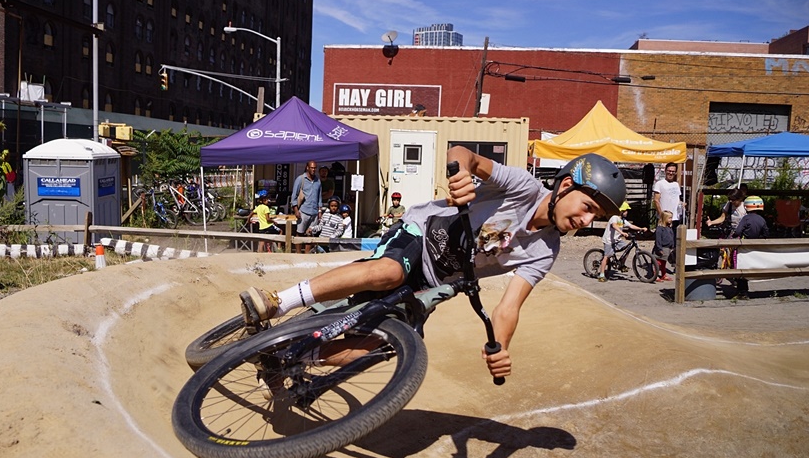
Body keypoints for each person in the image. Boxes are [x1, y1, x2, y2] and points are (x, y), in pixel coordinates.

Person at [238, 150, 625, 382]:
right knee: (389, 271)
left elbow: (509, 307)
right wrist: (462, 173)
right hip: (420, 235)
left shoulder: (544, 251)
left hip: (436, 280)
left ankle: (286, 358)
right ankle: (279, 301)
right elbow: (466, 154)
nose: (587, 220)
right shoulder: (521, 187)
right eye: (588, 207)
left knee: (390, 346)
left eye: (597, 216)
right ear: (565, 187)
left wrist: (500, 349)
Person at [730, 196, 769, 299]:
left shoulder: (746, 218)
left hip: (745, 246)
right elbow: (766, 233)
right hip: (756, 247)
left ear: (747, 206)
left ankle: (742, 291)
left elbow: (738, 231)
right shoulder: (762, 219)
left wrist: (733, 236)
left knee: (742, 268)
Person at [597, 201, 646, 282]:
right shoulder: (614, 217)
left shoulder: (623, 220)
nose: (627, 212)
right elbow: (614, 226)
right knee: (607, 256)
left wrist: (641, 228)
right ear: (621, 211)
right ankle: (601, 275)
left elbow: (631, 226)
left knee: (627, 248)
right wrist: (622, 233)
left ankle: (621, 265)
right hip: (609, 240)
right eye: (626, 211)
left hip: (617, 240)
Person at [291, 161, 321, 237]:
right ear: (307, 168)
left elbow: (319, 197)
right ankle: (298, 249)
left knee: (310, 234)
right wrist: (296, 210)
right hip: (303, 211)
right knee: (299, 233)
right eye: (312, 168)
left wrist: (319, 211)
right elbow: (294, 196)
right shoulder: (300, 179)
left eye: (315, 168)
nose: (313, 170)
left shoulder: (318, 181)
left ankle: (308, 249)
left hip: (314, 212)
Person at [653, 210, 675, 282]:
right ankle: (655, 275)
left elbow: (671, 237)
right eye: (669, 218)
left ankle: (663, 274)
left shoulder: (669, 228)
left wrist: (672, 246)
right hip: (662, 247)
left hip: (668, 248)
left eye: (671, 218)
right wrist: (659, 249)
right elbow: (658, 240)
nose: (671, 220)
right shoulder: (660, 228)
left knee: (664, 262)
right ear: (664, 218)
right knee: (658, 262)